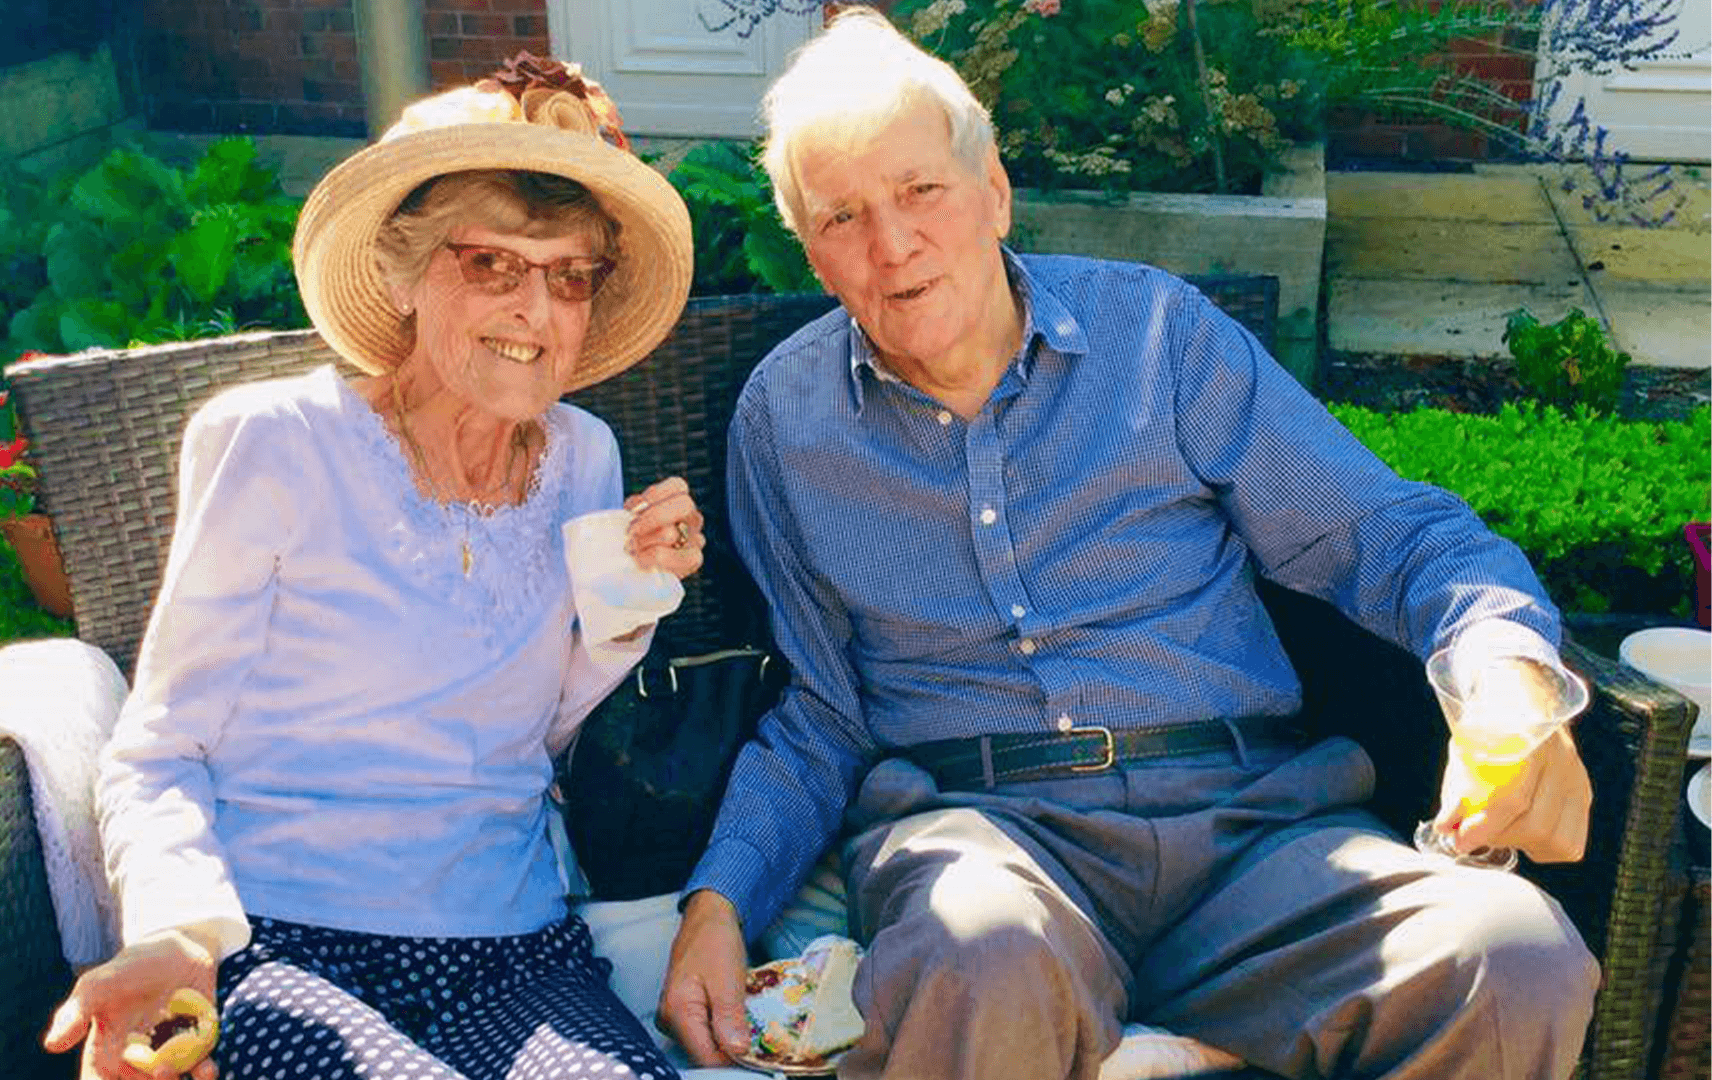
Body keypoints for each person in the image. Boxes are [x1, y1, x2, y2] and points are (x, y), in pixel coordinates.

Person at [657, 10, 1598, 1080]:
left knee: (1514, 960)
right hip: (990, 836)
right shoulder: (786, 421)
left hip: (1253, 835)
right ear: (814, 255)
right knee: (977, 950)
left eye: (922, 191)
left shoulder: (1160, 337)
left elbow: (1393, 536)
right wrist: (718, 902)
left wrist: (1512, 675)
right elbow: (823, 710)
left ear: (995, 193)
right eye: (843, 217)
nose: (892, 243)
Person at [42, 55, 703, 1080]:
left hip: (515, 946)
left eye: (570, 275)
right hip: (284, 941)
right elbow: (159, 747)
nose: (537, 309)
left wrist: (631, 603)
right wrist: (174, 930)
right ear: (402, 271)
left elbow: (528, 738)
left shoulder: (586, 457)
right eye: (492, 264)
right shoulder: (275, 441)